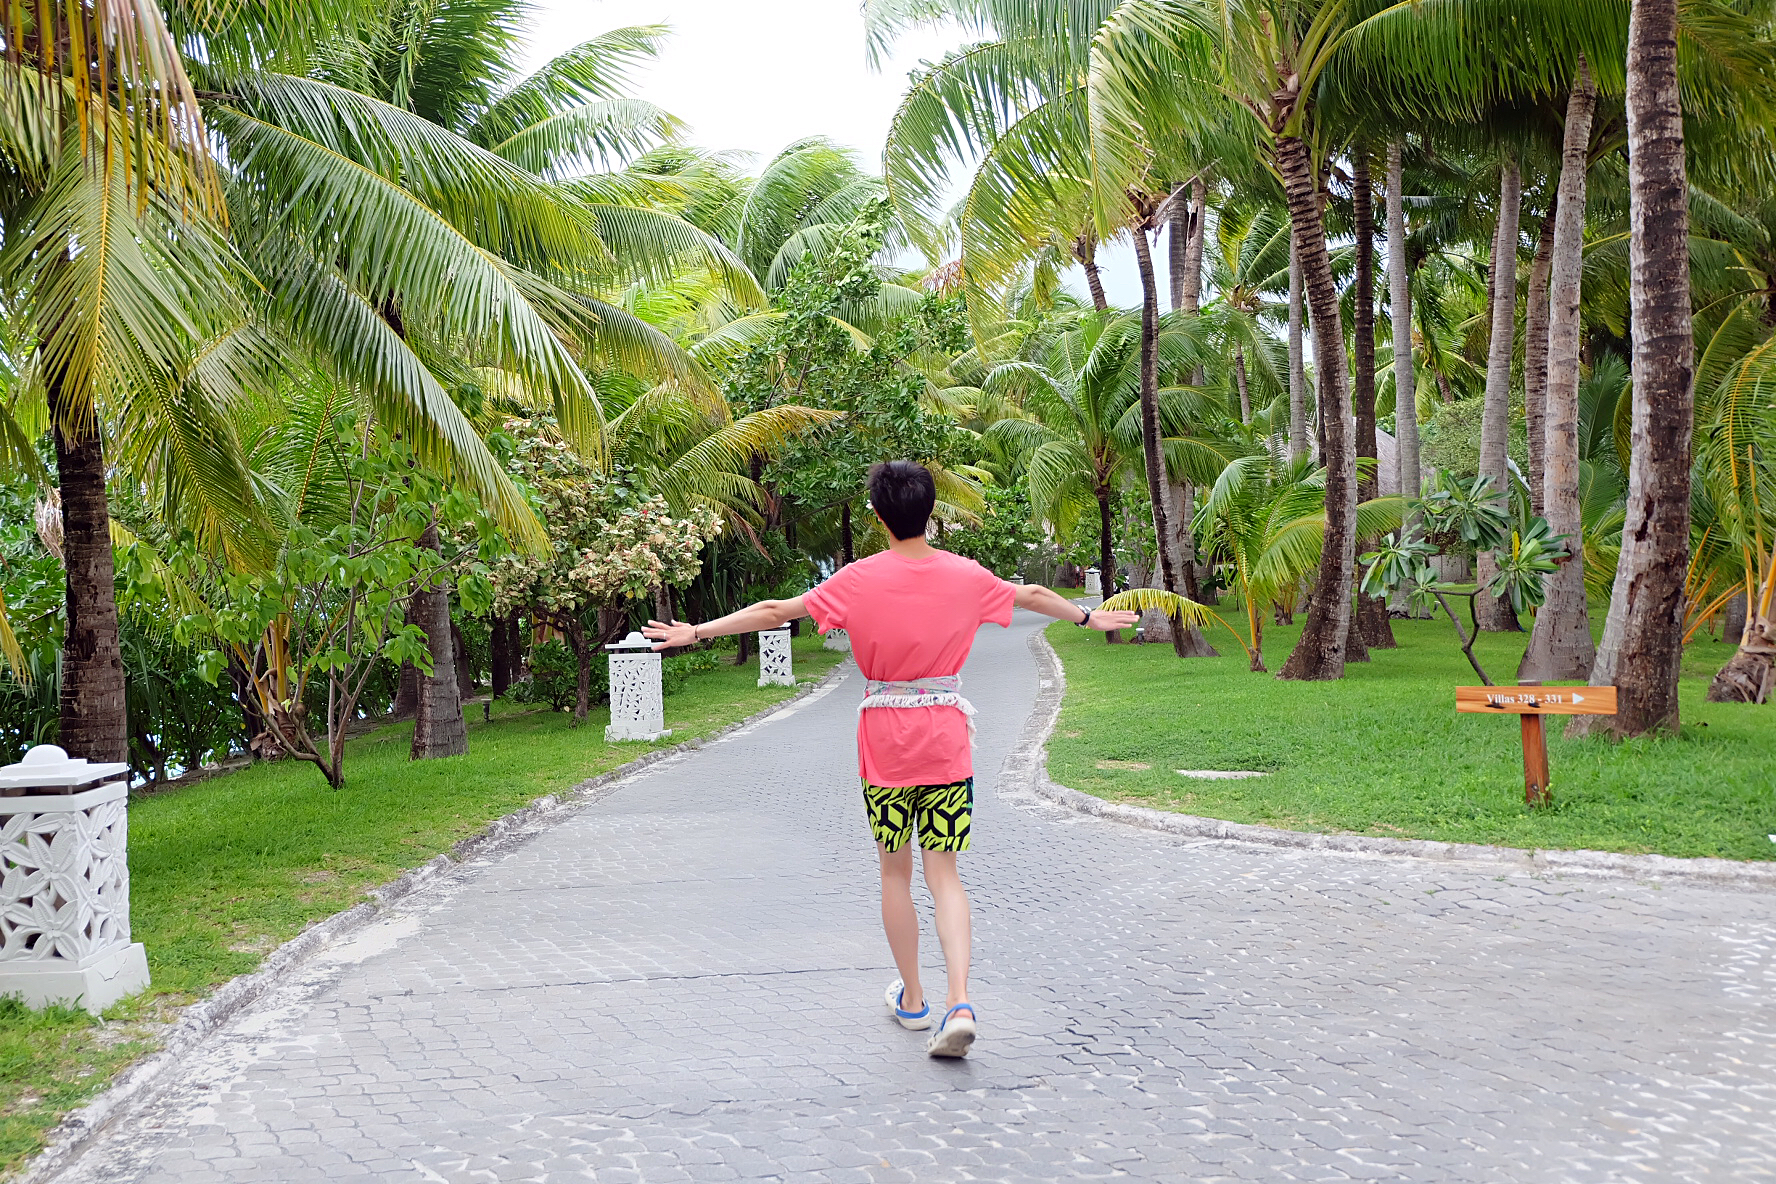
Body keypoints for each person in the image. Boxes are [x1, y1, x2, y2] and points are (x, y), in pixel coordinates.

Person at [643, 461, 1136, 1057]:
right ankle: (960, 1001)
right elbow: (1028, 594)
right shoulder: (965, 575)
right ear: (930, 511)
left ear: (878, 518)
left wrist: (695, 633)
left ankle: (913, 1000)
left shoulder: (856, 580)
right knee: (945, 874)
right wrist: (1089, 615)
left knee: (895, 872)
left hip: (885, 744)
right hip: (947, 739)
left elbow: (776, 611)